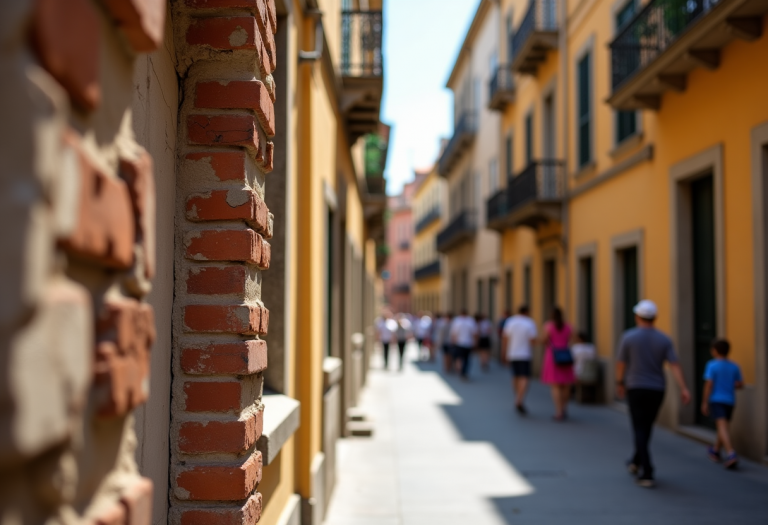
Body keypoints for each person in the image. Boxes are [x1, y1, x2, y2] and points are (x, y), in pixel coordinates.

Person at [616, 299, 691, 488]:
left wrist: (619, 382)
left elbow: (621, 363)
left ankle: (647, 471)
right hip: (657, 389)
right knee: (646, 426)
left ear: (637, 316)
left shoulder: (628, 337)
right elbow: (675, 365)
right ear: (654, 318)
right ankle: (636, 460)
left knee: (639, 427)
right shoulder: (665, 339)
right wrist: (683, 387)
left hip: (636, 387)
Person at [701, 339, 744, 469]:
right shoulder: (734, 366)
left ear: (715, 351)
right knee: (723, 426)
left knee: (722, 426)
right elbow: (740, 384)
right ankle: (715, 450)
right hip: (730, 400)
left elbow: (709, 384)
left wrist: (704, 402)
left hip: (716, 399)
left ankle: (731, 453)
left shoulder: (712, 365)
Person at [502, 305, 538, 414]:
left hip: (512, 353)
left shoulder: (510, 322)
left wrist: (503, 353)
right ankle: (520, 399)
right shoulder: (530, 323)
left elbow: (505, 338)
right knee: (525, 377)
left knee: (515, 376)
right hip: (525, 354)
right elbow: (532, 340)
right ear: (527, 312)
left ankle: (517, 396)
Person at [541, 307, 575, 421]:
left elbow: (545, 340)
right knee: (565, 384)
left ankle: (558, 411)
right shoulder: (569, 326)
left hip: (553, 356)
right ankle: (564, 408)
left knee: (555, 385)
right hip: (565, 355)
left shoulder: (548, 326)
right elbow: (572, 340)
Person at [450, 309, 478, 381]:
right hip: (468, 343)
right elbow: (474, 333)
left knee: (459, 358)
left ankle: (460, 371)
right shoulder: (471, 321)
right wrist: (475, 342)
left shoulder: (457, 321)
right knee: (467, 359)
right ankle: (464, 372)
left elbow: (454, 333)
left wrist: (453, 342)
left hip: (459, 343)